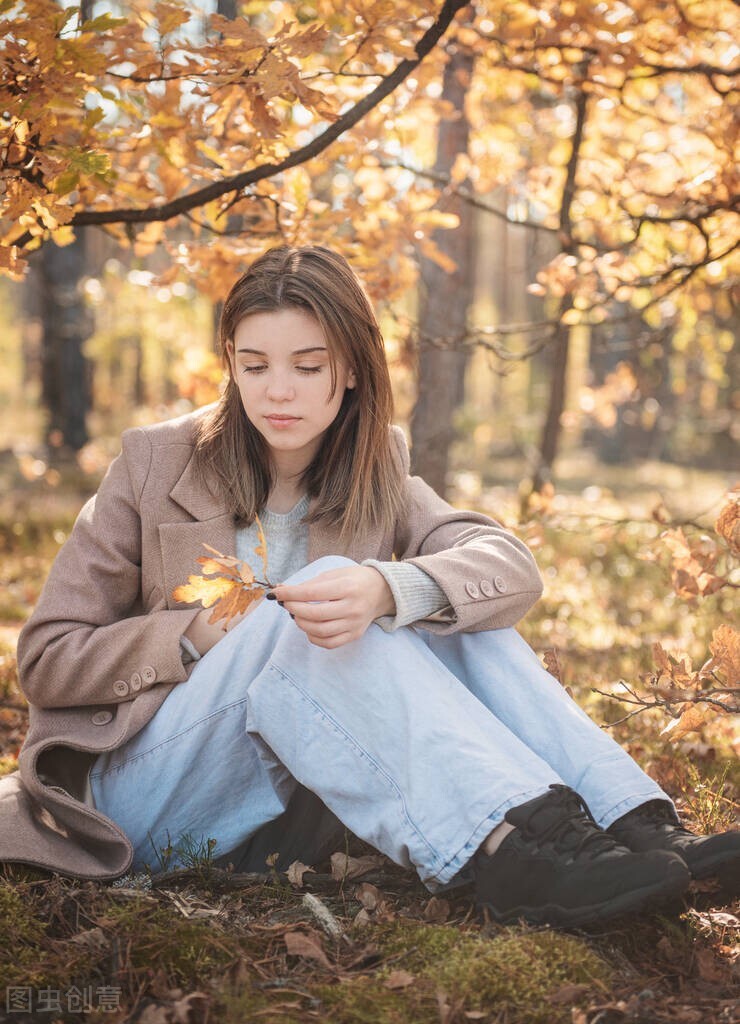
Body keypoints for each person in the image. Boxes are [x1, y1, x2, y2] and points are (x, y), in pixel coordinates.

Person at [3, 245, 738, 928]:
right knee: (318, 601)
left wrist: (391, 587)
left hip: (279, 806)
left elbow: (505, 566)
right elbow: (45, 658)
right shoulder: (155, 463)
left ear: (351, 368)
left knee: (439, 606)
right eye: (254, 366)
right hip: (147, 793)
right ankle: (508, 851)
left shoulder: (376, 466)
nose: (277, 391)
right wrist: (192, 636)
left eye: (307, 366)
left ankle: (631, 823)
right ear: (230, 364)